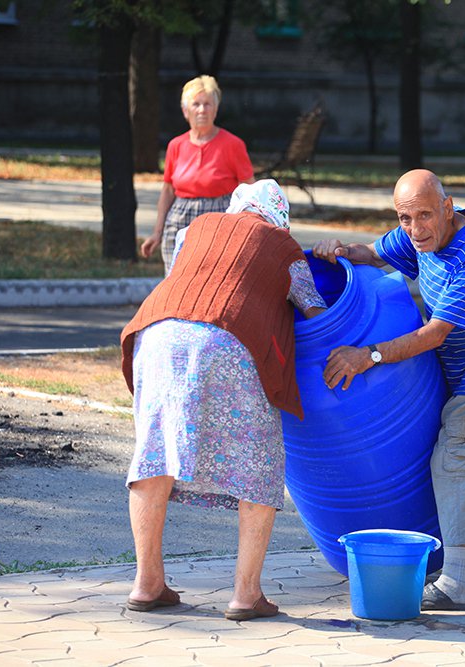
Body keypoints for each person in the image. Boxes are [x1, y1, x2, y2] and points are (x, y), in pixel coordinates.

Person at [312, 169, 465, 611]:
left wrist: (369, 355)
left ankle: (456, 580)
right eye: (404, 218)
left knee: (457, 450)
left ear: (447, 206)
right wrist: (338, 252)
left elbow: (435, 333)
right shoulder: (420, 232)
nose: (415, 230)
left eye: (423, 216)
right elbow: (371, 253)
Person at [121, 179, 327, 619]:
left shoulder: (195, 229)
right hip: (230, 341)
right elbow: (316, 312)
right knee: (259, 462)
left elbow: (187, 279)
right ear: (279, 219)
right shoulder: (285, 249)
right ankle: (245, 594)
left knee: (153, 455)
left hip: (157, 336)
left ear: (238, 207)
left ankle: (147, 583)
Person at [140, 75, 255, 274]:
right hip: (180, 217)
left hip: (219, 216)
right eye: (196, 104)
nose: (202, 110)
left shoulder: (233, 145)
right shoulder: (176, 145)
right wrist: (156, 234)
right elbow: (167, 190)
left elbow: (250, 190)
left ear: (216, 110)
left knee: (214, 278)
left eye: (208, 104)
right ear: (186, 111)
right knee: (176, 280)